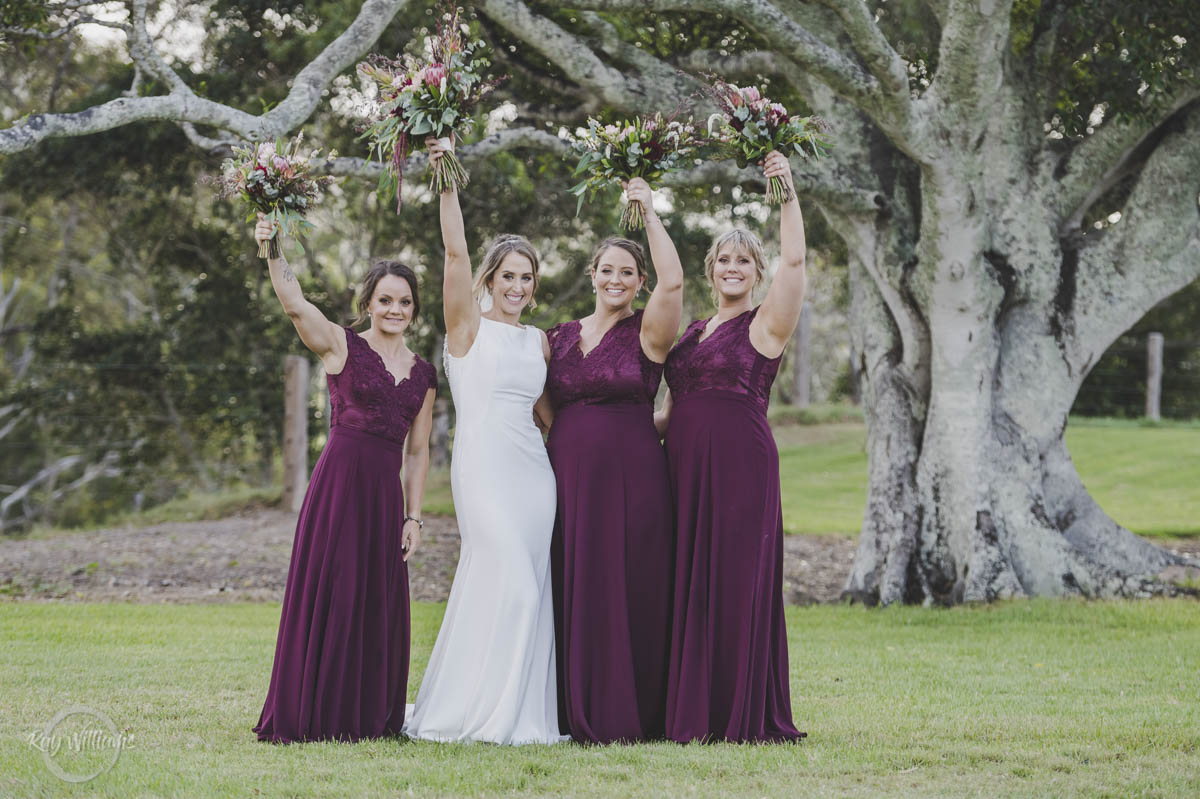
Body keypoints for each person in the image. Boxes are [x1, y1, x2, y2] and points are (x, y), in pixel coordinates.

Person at [403, 137, 565, 745]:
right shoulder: (466, 330)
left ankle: (521, 715)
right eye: (508, 276)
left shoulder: (540, 342)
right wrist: (446, 179)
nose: (518, 287)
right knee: (513, 585)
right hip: (482, 474)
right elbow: (452, 253)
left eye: (527, 278)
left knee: (524, 585)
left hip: (533, 477)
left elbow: (547, 416)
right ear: (490, 280)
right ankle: (477, 714)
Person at [252, 214, 437, 743]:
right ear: (368, 304)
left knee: (374, 596)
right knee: (334, 589)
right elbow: (293, 302)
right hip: (338, 487)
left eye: (404, 302)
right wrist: (272, 249)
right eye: (385, 300)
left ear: (414, 309)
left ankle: (364, 713)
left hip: (384, 494)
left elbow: (419, 451)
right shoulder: (341, 346)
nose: (395, 310)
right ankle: (316, 710)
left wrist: (414, 516)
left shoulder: (424, 373)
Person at [656, 151, 808, 743]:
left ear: (757, 270)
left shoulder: (766, 325)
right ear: (710, 268)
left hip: (740, 467)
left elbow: (795, 259)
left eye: (744, 260)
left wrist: (786, 191)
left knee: (734, 580)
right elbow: (676, 410)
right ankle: (689, 707)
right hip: (683, 468)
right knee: (686, 579)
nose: (733, 267)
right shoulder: (691, 332)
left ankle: (735, 712)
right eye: (724, 259)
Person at [544, 179, 682, 743]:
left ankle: (634, 710)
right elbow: (543, 407)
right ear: (593, 275)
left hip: (633, 477)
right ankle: (566, 706)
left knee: (630, 584)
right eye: (608, 270)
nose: (617, 280)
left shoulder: (649, 331)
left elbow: (675, 280)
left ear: (639, 281)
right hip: (567, 476)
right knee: (570, 581)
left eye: (628, 272)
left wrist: (647, 211)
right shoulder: (556, 336)